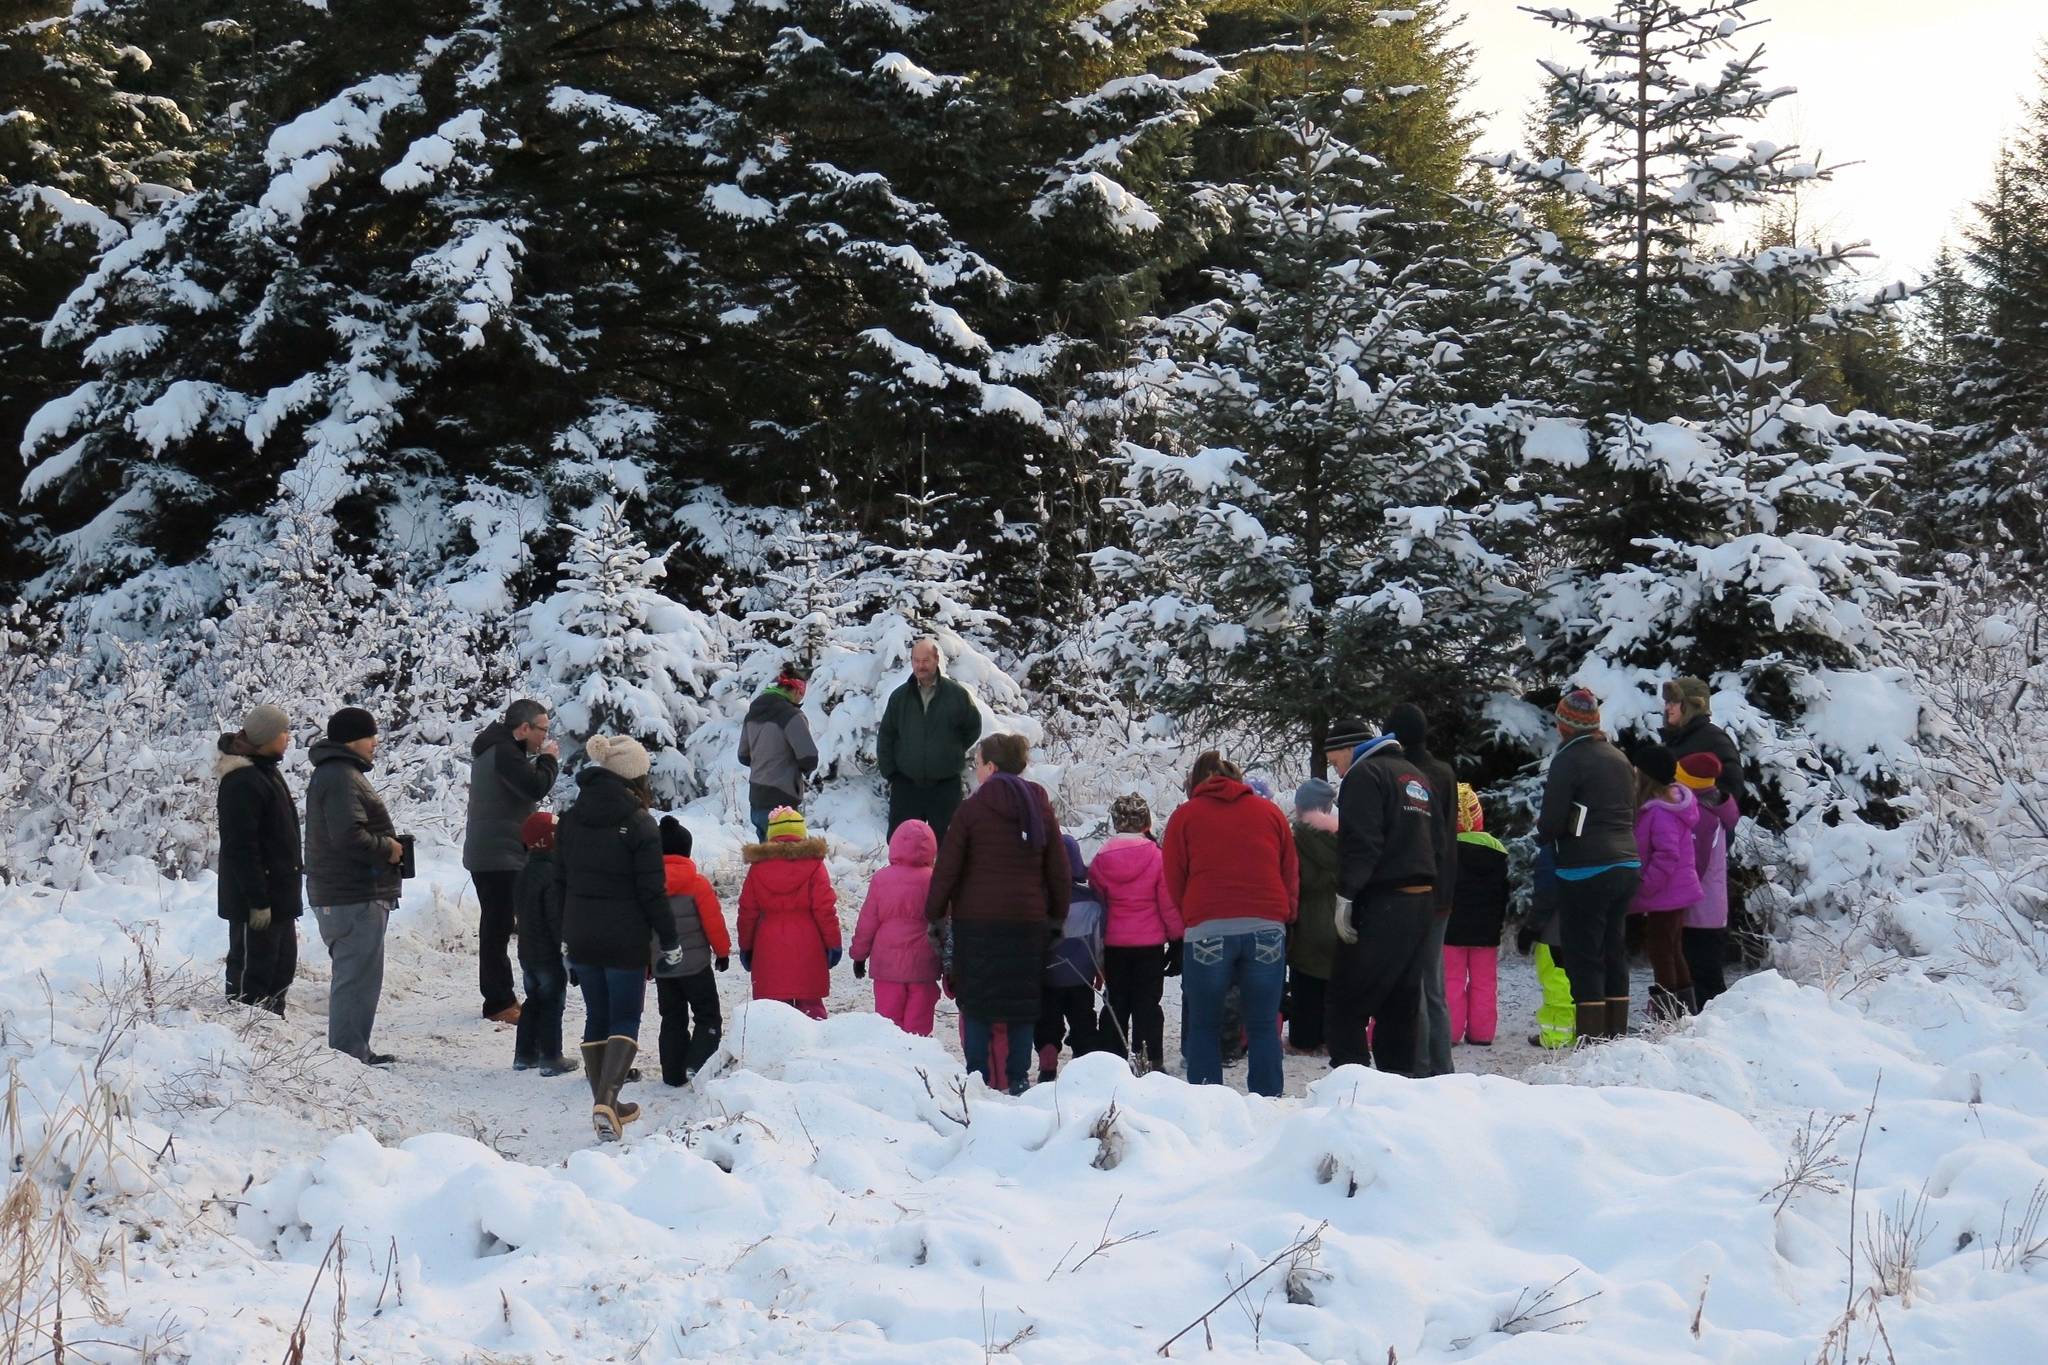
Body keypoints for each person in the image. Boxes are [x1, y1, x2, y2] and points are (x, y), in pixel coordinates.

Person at [925, 733, 1067, 1095]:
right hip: (1027, 921)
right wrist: (1056, 916)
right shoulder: (1038, 805)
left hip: (978, 922)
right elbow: (1057, 867)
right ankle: (1018, 1077)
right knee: (1021, 1004)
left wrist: (935, 912)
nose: (975, 772)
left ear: (990, 766)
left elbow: (948, 868)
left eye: (977, 765)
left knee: (977, 1005)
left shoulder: (972, 809)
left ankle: (977, 1080)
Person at [557, 735, 678, 1140]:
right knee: (625, 1016)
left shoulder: (571, 819)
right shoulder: (639, 823)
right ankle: (607, 1100)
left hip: (580, 931)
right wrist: (669, 937)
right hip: (624, 935)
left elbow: (558, 880)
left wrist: (563, 933)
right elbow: (652, 891)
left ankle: (604, 1102)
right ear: (635, 777)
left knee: (597, 1014)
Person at [1162, 750, 1298, 1097]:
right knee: (1264, 1024)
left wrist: (1193, 913)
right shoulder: (1270, 812)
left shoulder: (1185, 816)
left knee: (1204, 1024)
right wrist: (1286, 915)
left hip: (1208, 927)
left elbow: (1174, 877)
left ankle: (1208, 1104)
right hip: (1267, 926)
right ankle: (1268, 1100)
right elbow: (1289, 870)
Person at [1322, 720, 1441, 1076]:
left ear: (1349, 748)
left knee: (1345, 1003)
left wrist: (1346, 897)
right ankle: (1399, 1084)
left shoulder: (1363, 776)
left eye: (1334, 760)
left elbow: (1362, 843)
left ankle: (1352, 1088)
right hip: (1421, 902)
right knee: (1398, 1004)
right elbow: (1439, 843)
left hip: (1383, 901)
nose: (1336, 770)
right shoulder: (1414, 775)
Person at [1535, 688, 1641, 1040]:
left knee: (1584, 953)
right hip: (1626, 864)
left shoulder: (1568, 759)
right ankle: (1616, 1037)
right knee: (1613, 947)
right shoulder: (1619, 758)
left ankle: (1592, 1042)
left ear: (1566, 724)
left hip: (1584, 868)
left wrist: (1547, 834)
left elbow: (1551, 821)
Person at [304, 707, 403, 1066]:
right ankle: (347, 1056)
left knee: (359, 976)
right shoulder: (341, 776)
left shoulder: (338, 774)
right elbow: (348, 836)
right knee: (355, 977)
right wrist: (388, 848)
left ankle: (353, 1050)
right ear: (351, 739)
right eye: (370, 735)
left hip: (349, 893)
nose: (375, 742)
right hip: (352, 894)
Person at [463, 699, 561, 1025]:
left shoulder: (497, 749)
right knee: (497, 927)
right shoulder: (504, 752)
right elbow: (534, 786)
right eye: (542, 730)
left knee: (498, 925)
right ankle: (498, 1001)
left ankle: (499, 995)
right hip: (498, 855)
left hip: (495, 851)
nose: (545, 737)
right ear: (524, 728)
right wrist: (548, 760)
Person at [1385, 704, 1459, 1077]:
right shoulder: (1445, 773)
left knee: (1414, 984)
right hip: (1444, 888)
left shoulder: (1404, 776)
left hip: (1415, 889)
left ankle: (1421, 1066)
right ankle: (1443, 1067)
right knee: (1435, 985)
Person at [216, 703, 302, 1016]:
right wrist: (257, 900)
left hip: (278, 896)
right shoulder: (242, 781)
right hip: (257, 900)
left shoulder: (265, 772)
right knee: (253, 974)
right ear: (266, 736)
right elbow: (241, 847)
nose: (288, 737)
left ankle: (272, 1028)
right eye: (283, 731)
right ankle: (246, 1037)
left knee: (280, 968)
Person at [1090, 794, 1181, 1073]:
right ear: (1145, 822)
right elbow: (1166, 902)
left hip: (1116, 943)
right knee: (1147, 1004)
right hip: (1149, 944)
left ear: (1116, 822)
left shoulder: (1101, 859)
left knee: (1116, 1000)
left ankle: (1112, 1058)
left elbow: (1098, 904)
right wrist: (1177, 937)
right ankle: (1150, 1059)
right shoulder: (1156, 856)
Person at [737, 806, 840, 1020]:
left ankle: (776, 1052)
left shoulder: (758, 868)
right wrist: (833, 943)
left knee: (773, 1014)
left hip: (768, 946)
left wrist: (746, 947)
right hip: (808, 944)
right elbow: (825, 909)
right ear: (802, 834)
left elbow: (747, 912)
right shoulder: (814, 865)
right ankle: (813, 1050)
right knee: (811, 1011)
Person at [877, 638, 983, 842]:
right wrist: (891, 774)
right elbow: (886, 736)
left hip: (945, 787)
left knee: (949, 847)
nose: (920, 666)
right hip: (907, 786)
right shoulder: (900, 697)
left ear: (936, 660)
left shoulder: (956, 695)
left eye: (925, 660)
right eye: (916, 660)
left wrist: (950, 752)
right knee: (902, 845)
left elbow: (972, 727)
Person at [653, 817, 730, 1084]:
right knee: (707, 1014)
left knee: (672, 1017)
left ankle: (673, 1073)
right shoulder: (697, 884)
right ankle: (699, 1065)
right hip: (696, 965)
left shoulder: (647, 886)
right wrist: (722, 951)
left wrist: (646, 964)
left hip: (663, 965)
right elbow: (713, 922)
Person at [850, 819, 943, 1037]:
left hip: (887, 965)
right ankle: (917, 1064)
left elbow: (868, 921)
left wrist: (859, 955)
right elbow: (943, 922)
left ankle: (890, 1061)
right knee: (918, 1024)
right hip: (924, 963)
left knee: (888, 1023)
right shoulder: (935, 880)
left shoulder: (882, 879)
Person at [1631, 743, 1702, 1019]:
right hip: (1673, 893)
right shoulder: (1665, 807)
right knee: (1672, 948)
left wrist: (1645, 887)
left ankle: (1669, 1015)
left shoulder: (1661, 811)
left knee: (1662, 951)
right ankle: (1684, 1010)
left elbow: (1667, 855)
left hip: (1666, 894)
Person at [511, 812, 576, 1075]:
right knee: (552, 1003)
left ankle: (524, 1054)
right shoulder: (551, 875)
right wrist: (565, 942)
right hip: (548, 953)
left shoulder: (523, 872)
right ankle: (551, 1057)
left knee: (533, 1001)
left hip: (526, 951)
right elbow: (555, 916)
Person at [1036, 834, 1105, 1082]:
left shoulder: (1038, 900)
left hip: (1047, 977)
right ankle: (1084, 1064)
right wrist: (1099, 968)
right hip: (1081, 975)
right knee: (1083, 1020)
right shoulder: (1091, 901)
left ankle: (1048, 1060)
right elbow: (1098, 940)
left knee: (1047, 1021)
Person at [1445, 784, 1508, 1047]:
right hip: (1487, 930)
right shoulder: (1497, 852)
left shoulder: (1446, 850)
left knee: (1451, 980)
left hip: (1452, 929)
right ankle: (1482, 1032)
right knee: (1485, 981)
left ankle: (1450, 1032)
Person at [1678, 752, 1741, 1009]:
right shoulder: (1713, 806)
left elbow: (1696, 863)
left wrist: (1678, 896)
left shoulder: (1702, 815)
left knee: (1704, 973)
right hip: (1710, 907)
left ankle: (1717, 1022)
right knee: (1706, 970)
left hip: (1699, 908)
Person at [1285, 779, 1340, 1055]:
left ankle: (1304, 1039)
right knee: (1334, 986)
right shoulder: (1344, 840)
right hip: (1338, 920)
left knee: (1305, 985)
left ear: (1298, 806)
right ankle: (1333, 1037)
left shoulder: (1293, 840)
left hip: (1306, 922)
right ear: (1329, 806)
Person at [738, 663, 819, 840]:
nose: (800, 698)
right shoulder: (791, 716)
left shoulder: (753, 714)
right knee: (784, 859)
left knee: (766, 858)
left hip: (757, 797)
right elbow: (809, 758)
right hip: (782, 800)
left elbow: (743, 756)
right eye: (801, 694)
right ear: (797, 690)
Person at [1516, 846, 1577, 1049]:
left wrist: (1532, 926)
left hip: (1556, 928)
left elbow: (1547, 890)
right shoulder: (1594, 839)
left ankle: (1556, 1035)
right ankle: (1582, 1028)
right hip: (1587, 924)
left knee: (1556, 980)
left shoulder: (1554, 848)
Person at [1660, 677, 1744, 802]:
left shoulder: (1714, 739)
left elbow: (1732, 788)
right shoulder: (1675, 739)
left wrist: (1697, 809)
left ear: (1691, 705)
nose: (1668, 707)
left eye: (1675, 701)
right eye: (1667, 701)